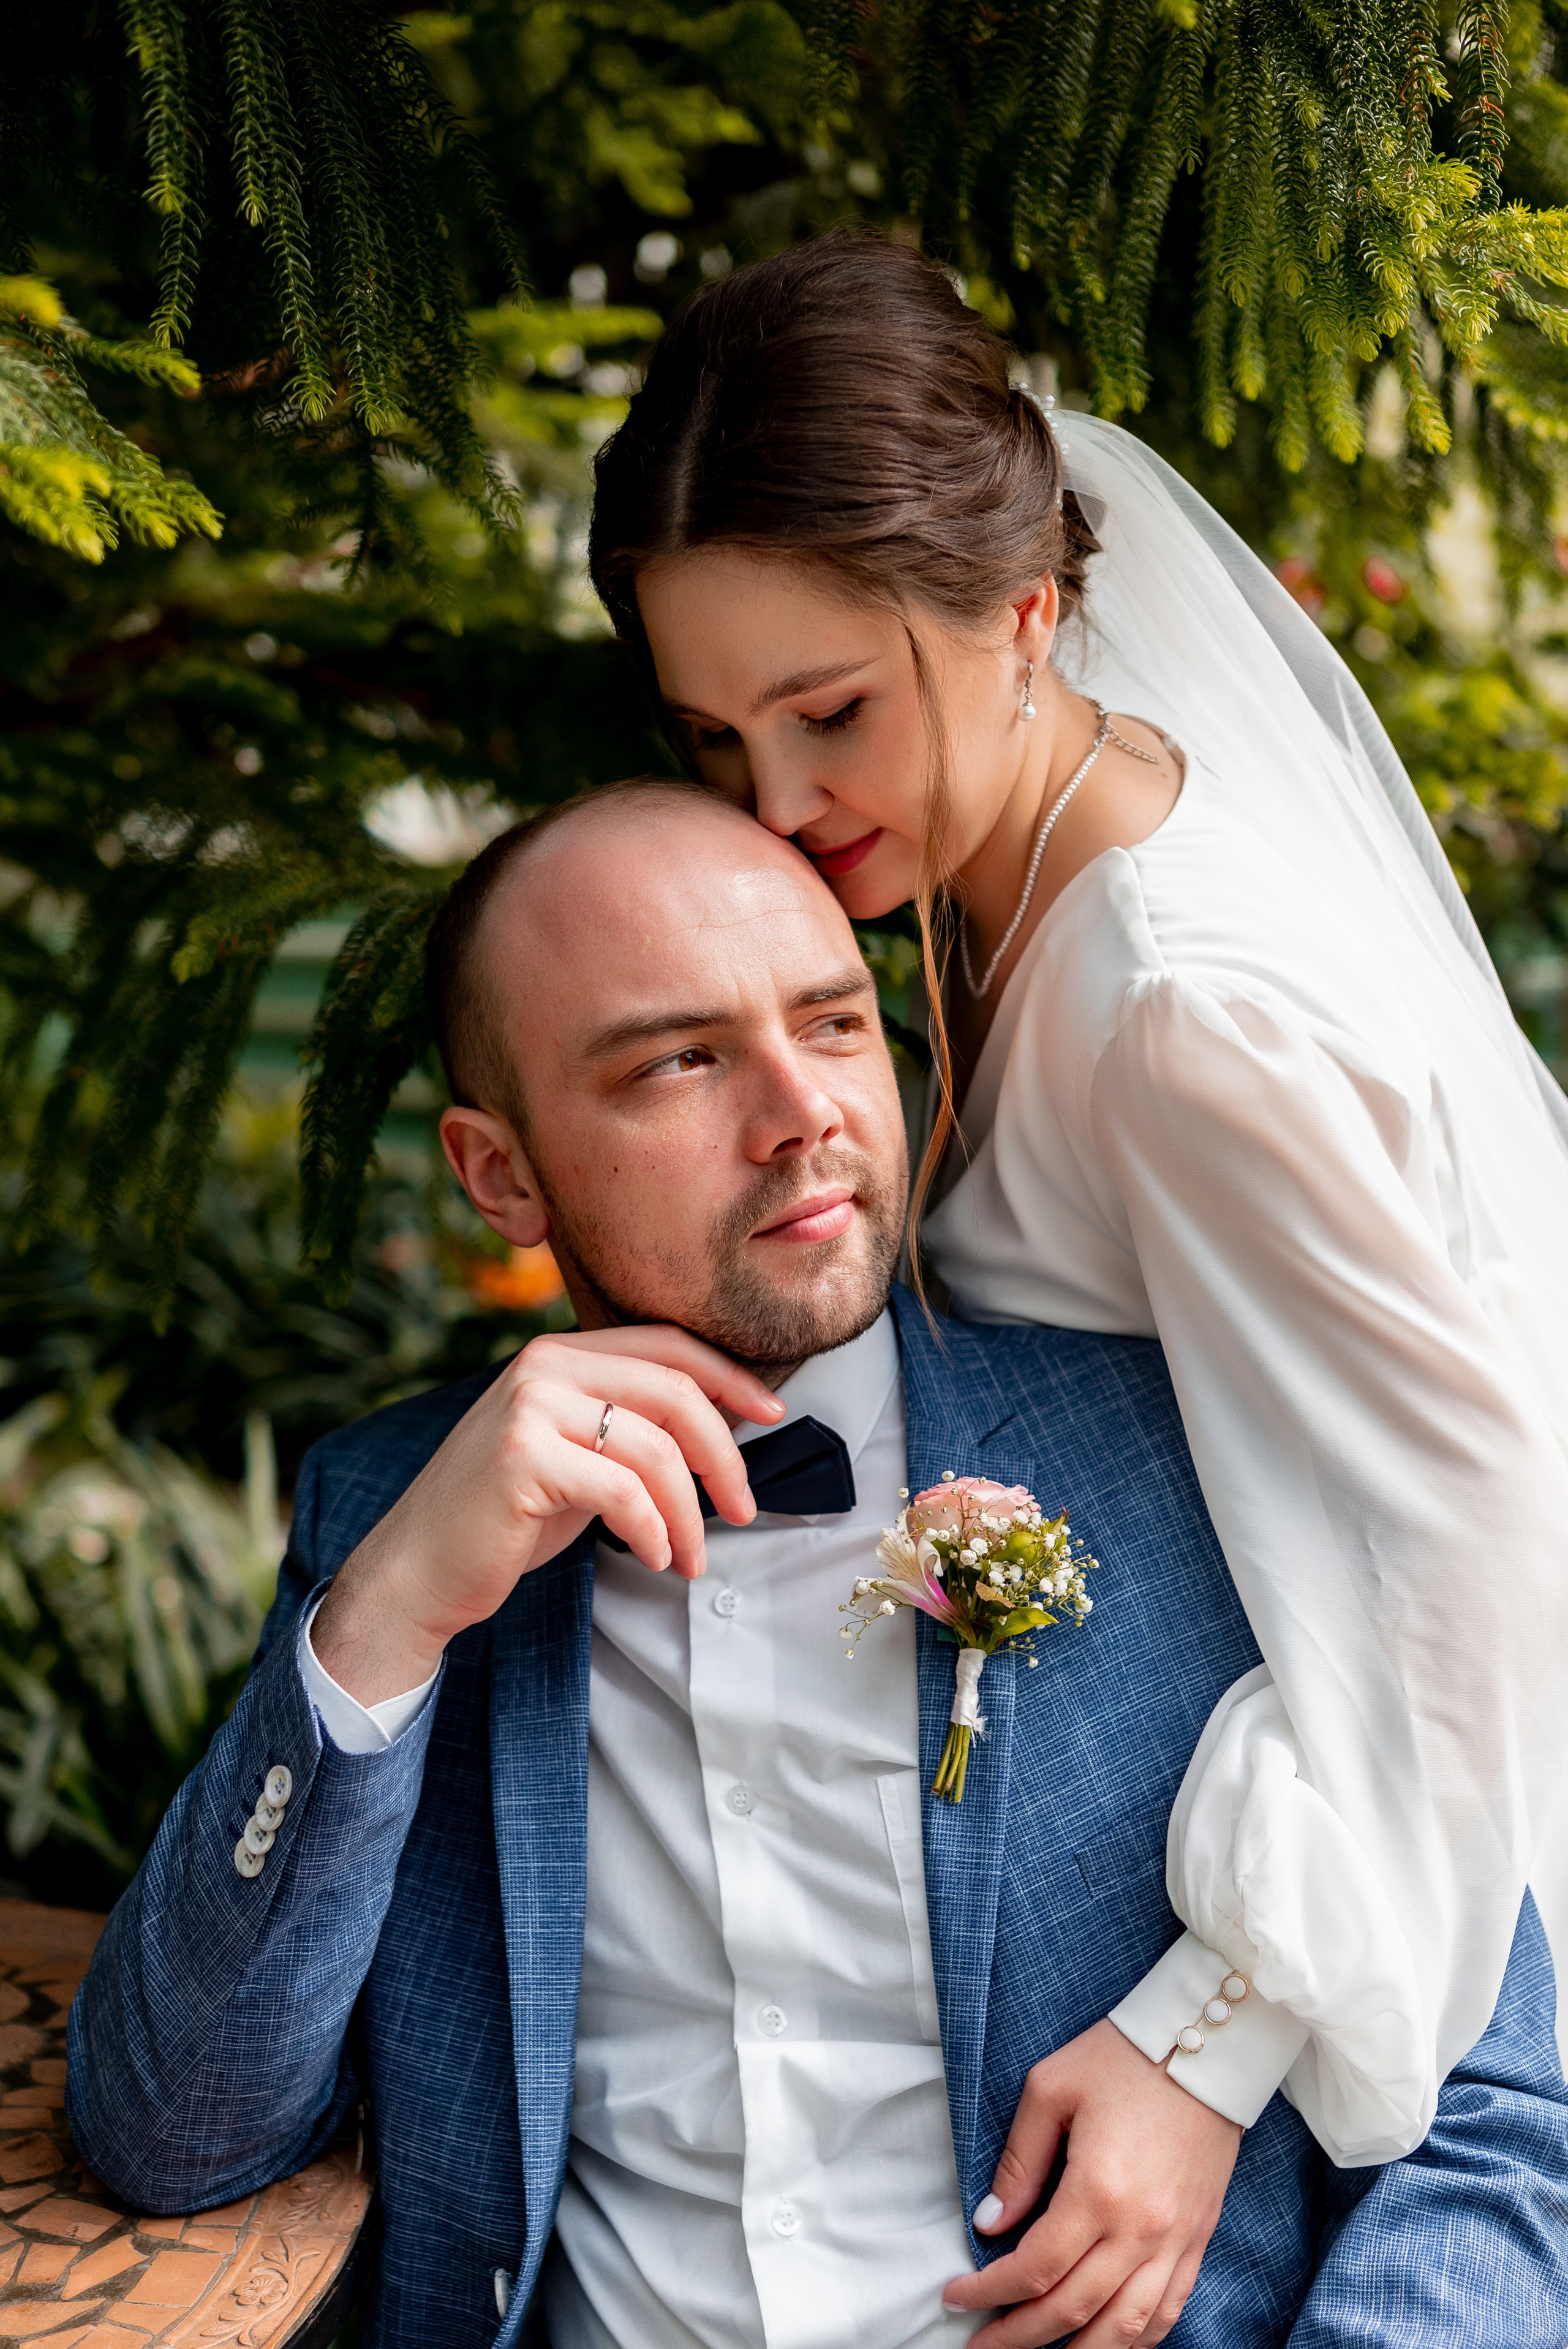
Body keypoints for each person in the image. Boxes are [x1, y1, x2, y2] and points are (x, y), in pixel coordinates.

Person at [69, 783, 1568, 2349]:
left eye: (833, 1022)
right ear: (499, 1173)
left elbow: (1487, 2106)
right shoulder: (391, 1514)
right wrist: (387, 1618)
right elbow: (176, 2134)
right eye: (678, 1059)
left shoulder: (1182, 1453)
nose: (802, 1112)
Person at [587, 232, 1568, 2182]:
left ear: (1025, 614)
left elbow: (1476, 1546)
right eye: (714, 735)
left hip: (1404, 1958)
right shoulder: (995, 848)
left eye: (829, 709)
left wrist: (1207, 2033)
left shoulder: (1183, 1014)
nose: (773, 804)